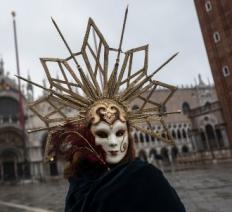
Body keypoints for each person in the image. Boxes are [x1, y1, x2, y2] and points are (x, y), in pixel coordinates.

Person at [18, 9, 185, 212]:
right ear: (88, 137)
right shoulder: (144, 178)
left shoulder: (77, 186)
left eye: (120, 132)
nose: (114, 142)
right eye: (103, 133)